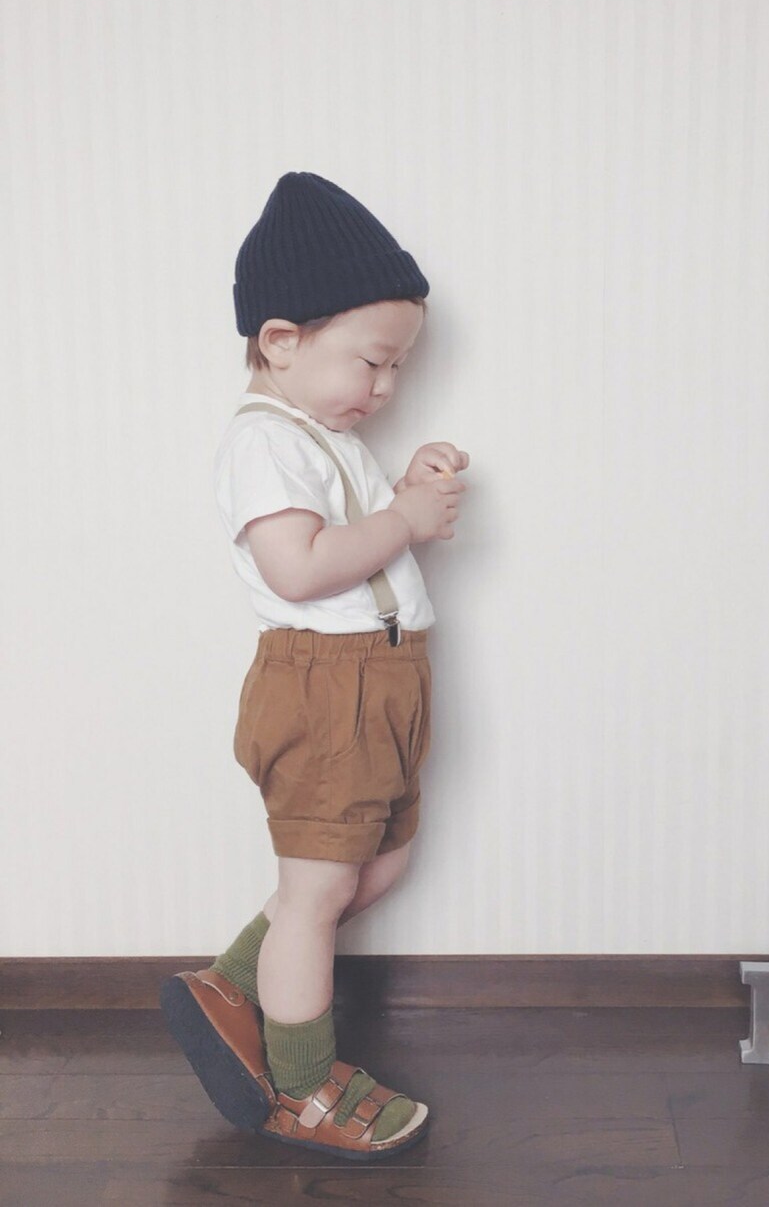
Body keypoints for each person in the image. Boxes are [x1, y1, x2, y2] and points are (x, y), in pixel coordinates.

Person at [160, 171, 468, 1160]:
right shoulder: (263, 443)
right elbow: (297, 569)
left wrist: (406, 493)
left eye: (398, 368)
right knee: (318, 891)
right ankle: (303, 1086)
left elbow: (362, 550)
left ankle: (231, 983)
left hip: (384, 677)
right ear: (282, 340)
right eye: (373, 362)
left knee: (376, 864)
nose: (385, 389)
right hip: (329, 685)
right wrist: (404, 518)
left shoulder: (322, 438)